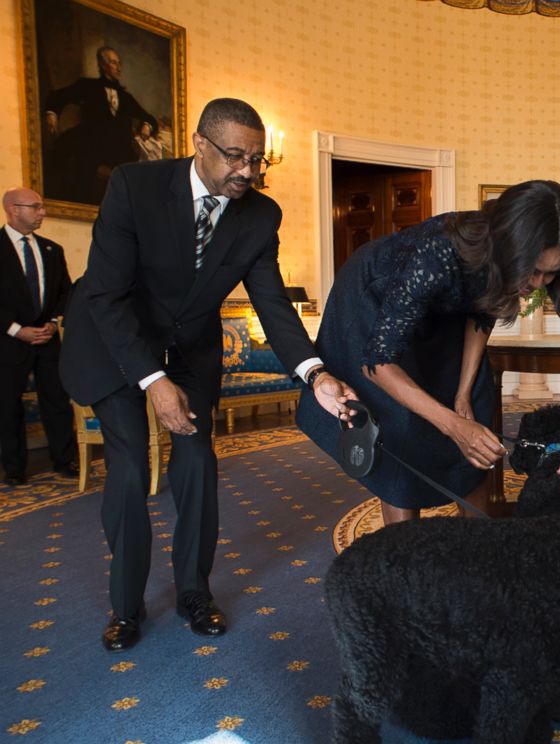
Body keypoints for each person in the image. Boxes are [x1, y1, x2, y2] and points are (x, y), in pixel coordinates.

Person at [59, 98, 357, 653]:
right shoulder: (134, 186)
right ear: (200, 144)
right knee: (128, 468)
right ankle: (125, 607)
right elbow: (105, 294)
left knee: (197, 460)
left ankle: (195, 592)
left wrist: (315, 374)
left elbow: (273, 305)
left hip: (187, 344)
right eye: (235, 156)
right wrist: (153, 380)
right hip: (112, 339)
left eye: (257, 160)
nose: (247, 171)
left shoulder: (261, 215)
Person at [297, 180, 560, 525]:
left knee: (476, 412)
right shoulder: (434, 255)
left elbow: (482, 314)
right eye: (534, 271)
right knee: (401, 425)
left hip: (440, 313)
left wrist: (463, 394)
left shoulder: (507, 262)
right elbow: (378, 363)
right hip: (373, 309)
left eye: (551, 274)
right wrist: (452, 425)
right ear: (510, 248)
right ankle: (404, 554)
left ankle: (479, 547)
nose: (539, 283)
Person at [0, 188, 76, 486]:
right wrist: (18, 330)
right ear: (12, 209)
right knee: (7, 406)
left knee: (57, 401)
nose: (42, 212)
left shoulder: (52, 249)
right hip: (8, 341)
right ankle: (15, 469)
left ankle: (64, 460)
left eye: (42, 206)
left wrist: (54, 323)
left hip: (48, 339)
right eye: (35, 207)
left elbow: (65, 293)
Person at [43, 46, 158, 204]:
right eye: (113, 63)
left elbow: (149, 118)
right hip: (92, 142)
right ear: (103, 65)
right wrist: (52, 113)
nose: (118, 67)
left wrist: (147, 125)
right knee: (78, 163)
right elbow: (58, 97)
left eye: (119, 63)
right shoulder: (88, 86)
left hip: (118, 147)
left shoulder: (125, 97)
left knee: (136, 177)